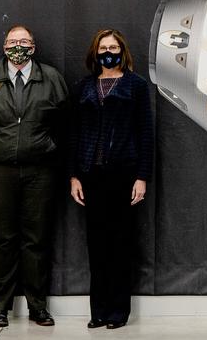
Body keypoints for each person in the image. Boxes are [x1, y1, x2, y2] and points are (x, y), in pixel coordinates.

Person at [0, 24, 69, 328]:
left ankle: (38, 307)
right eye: (13, 42)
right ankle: (0, 307)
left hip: (40, 171)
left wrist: (48, 149)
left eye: (24, 42)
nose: (18, 47)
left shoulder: (51, 79)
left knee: (36, 240)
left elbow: (66, 124)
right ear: (4, 46)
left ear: (34, 48)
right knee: (3, 240)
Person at [69, 28, 154, 331]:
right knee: (97, 245)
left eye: (113, 47)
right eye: (103, 47)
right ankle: (99, 310)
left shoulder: (136, 86)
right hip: (92, 176)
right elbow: (74, 134)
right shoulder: (83, 88)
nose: (108, 51)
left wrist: (142, 177)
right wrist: (74, 176)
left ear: (122, 51)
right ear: (95, 53)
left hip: (124, 174)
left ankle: (119, 311)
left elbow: (146, 133)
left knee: (121, 244)